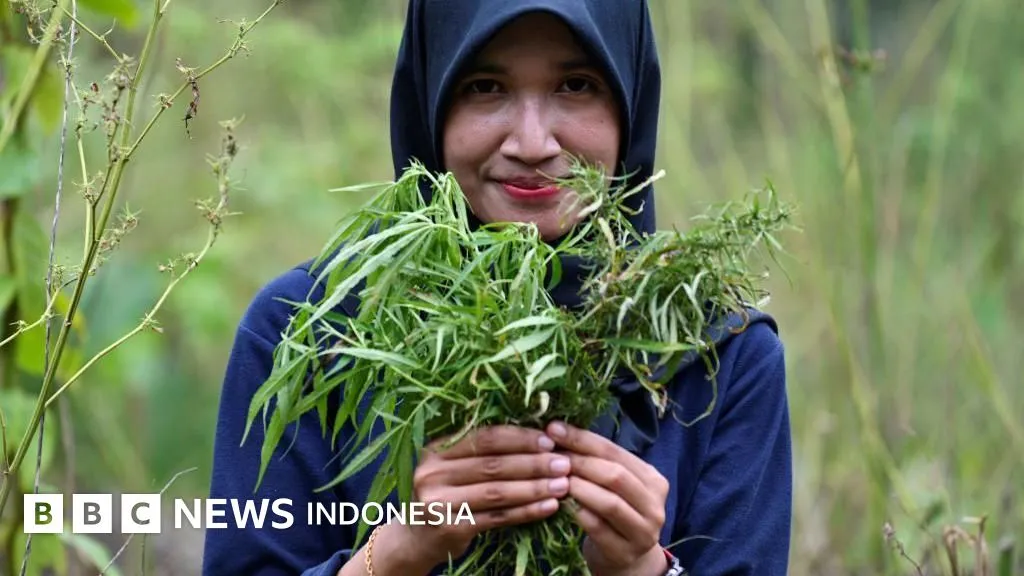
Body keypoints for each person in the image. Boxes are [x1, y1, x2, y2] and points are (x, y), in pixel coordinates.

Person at [201, 1, 793, 575]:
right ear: (430, 99)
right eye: (485, 87)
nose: (533, 143)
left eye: (577, 85)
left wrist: (640, 569)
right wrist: (403, 552)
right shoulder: (310, 328)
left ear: (630, 99)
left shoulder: (722, 355)